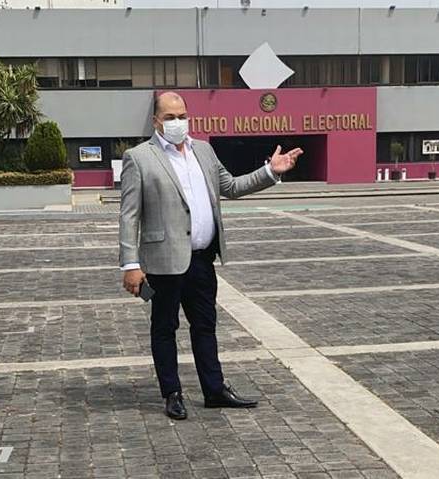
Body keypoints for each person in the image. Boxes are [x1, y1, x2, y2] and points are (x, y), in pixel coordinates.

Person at [119, 91, 303, 420]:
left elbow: (230, 187)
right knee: (164, 328)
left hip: (203, 259)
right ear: (156, 121)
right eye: (170, 117)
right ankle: (172, 393)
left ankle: (214, 390)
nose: (177, 122)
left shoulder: (203, 150)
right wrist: (131, 264)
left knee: (205, 325)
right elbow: (129, 216)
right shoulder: (139, 158)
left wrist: (270, 172)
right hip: (164, 261)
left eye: (182, 116)